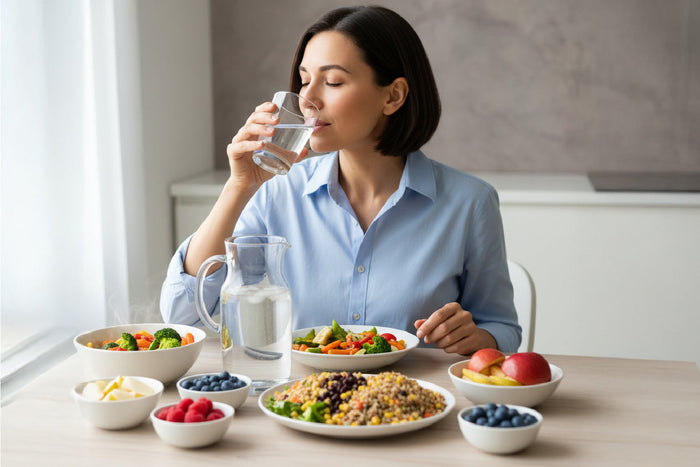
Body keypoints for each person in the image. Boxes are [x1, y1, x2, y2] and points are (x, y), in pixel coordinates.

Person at [161, 5, 521, 355]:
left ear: (393, 96)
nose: (308, 99)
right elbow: (182, 315)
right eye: (304, 80)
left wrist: (475, 337)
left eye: (333, 81)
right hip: (302, 407)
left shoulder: (470, 204)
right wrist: (239, 186)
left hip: (410, 406)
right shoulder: (277, 192)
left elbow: (502, 328)